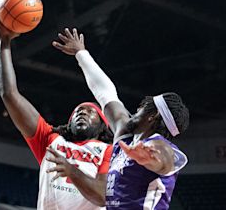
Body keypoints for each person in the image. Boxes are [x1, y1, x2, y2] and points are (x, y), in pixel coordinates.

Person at [53, 28, 190, 209]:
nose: (136, 110)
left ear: (153, 116)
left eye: (143, 106)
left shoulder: (159, 146)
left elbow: (166, 158)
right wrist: (81, 53)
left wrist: (153, 157)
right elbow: (106, 94)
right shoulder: (126, 134)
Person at [0, 7, 113, 209]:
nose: (82, 112)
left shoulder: (109, 151)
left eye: (90, 111)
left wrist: (71, 170)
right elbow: (10, 94)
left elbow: (103, 196)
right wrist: (3, 41)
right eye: (77, 111)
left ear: (103, 125)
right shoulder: (50, 140)